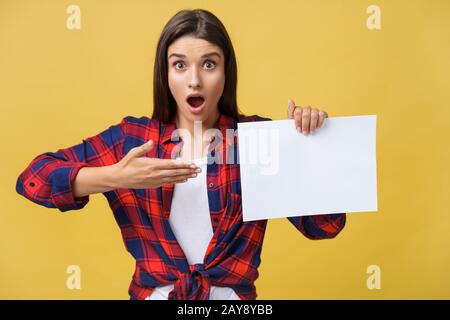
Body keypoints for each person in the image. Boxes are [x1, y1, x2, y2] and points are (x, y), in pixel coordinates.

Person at [15, 9, 346, 300]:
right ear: (166, 73)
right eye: (179, 65)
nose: (195, 81)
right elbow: (33, 179)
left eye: (208, 64)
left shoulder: (256, 140)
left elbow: (325, 225)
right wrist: (115, 177)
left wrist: (308, 147)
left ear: (226, 71)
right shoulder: (132, 139)